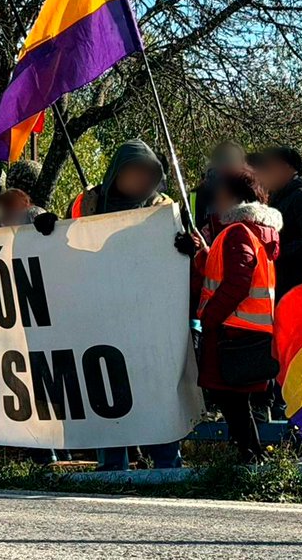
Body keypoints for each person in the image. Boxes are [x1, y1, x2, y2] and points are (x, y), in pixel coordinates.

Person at [65, 141, 180, 471]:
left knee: (153, 388)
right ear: (117, 172)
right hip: (100, 312)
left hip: (148, 315)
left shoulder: (162, 208)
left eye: (148, 173)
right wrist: (47, 230)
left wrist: (185, 247)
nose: (141, 179)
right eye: (134, 172)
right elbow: (64, 246)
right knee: (106, 386)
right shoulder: (87, 203)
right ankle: (112, 463)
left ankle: (166, 462)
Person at [181, 167, 280, 463]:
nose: (216, 199)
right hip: (251, 332)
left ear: (235, 197)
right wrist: (202, 253)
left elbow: (238, 280)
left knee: (230, 398)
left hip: (230, 330)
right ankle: (251, 455)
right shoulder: (255, 232)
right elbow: (223, 269)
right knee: (237, 400)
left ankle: (250, 456)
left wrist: (210, 317)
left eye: (221, 193)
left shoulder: (237, 232)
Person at [254, 146, 302, 301]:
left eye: (269, 168)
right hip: (287, 286)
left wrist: (278, 251)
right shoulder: (280, 198)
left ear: (285, 167)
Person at [68, 139, 171, 219]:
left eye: (151, 175)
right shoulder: (84, 204)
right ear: (120, 169)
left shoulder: (162, 208)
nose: (145, 178)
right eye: (139, 170)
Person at [190, 141, 248, 232]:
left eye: (232, 160)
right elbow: (187, 228)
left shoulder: (249, 191)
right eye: (222, 159)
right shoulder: (195, 197)